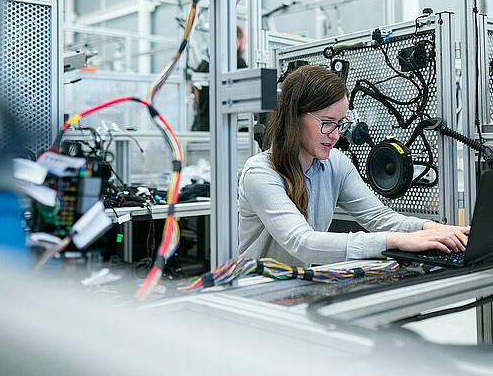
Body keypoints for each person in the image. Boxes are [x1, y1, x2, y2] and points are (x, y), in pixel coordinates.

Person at [238, 64, 470, 266]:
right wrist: (395, 240)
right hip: (257, 296)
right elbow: (303, 243)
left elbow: (379, 217)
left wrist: (430, 229)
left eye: (340, 123)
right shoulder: (260, 173)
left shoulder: (335, 164)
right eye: (327, 123)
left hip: (297, 288)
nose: (336, 135)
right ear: (294, 117)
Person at [191, 26, 248, 131]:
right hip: (224, 125)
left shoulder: (205, 63)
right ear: (236, 40)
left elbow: (194, 94)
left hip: (201, 125)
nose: (245, 44)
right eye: (244, 40)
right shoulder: (238, 62)